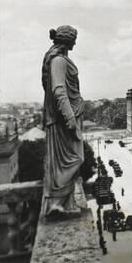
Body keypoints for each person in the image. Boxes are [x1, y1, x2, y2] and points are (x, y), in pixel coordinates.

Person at [41, 25, 84, 218]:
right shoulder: (58, 61)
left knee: (68, 162)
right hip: (64, 123)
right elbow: (59, 91)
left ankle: (66, 202)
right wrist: (70, 120)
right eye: (74, 38)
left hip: (67, 120)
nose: (75, 42)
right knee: (72, 160)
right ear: (67, 40)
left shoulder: (61, 59)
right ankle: (57, 205)